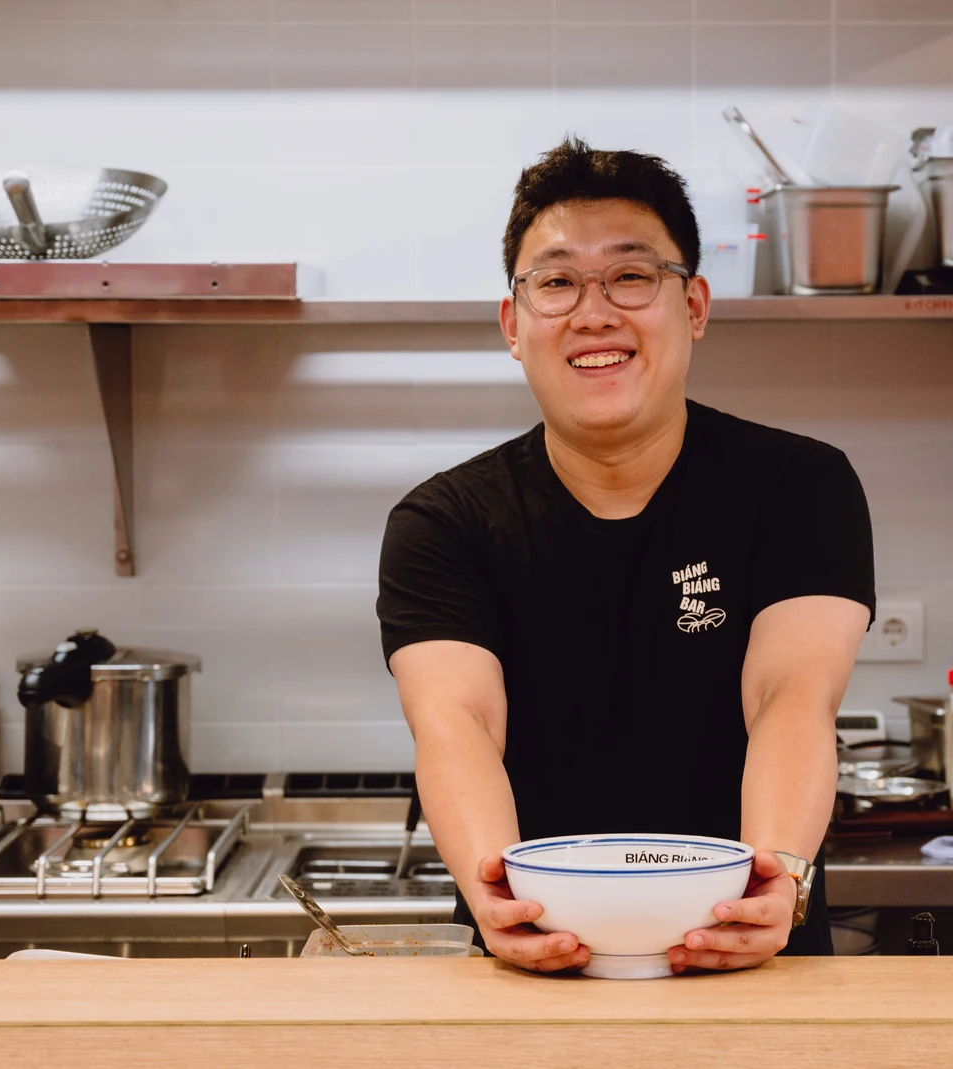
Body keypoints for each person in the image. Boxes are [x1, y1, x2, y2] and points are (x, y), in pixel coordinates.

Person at [377, 137, 875, 973]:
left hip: (751, 961)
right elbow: (456, 722)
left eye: (632, 277)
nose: (594, 312)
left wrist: (775, 881)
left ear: (695, 307)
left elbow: (793, 696)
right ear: (513, 324)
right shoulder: (445, 519)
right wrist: (503, 903)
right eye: (557, 281)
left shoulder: (800, 487)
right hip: (536, 969)